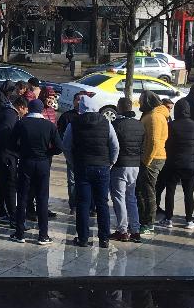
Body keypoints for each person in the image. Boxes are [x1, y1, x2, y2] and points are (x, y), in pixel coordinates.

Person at [62, 94, 120, 248]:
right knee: (102, 203)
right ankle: (104, 239)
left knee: (83, 203)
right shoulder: (106, 122)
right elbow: (115, 145)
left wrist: (73, 163)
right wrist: (111, 162)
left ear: (81, 107)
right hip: (102, 167)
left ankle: (83, 238)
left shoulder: (74, 123)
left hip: (82, 166)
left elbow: (66, 146)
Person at [9, 98, 63, 245]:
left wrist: (22, 151)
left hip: (26, 162)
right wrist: (47, 153)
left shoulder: (22, 123)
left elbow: (12, 143)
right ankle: (43, 235)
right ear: (41, 110)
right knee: (42, 198)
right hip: (43, 163)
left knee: (22, 197)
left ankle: (20, 233)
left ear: (29, 108)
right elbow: (59, 147)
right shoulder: (49, 125)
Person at [160, 100, 194, 230]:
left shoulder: (171, 125)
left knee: (170, 191)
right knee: (189, 193)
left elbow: (167, 142)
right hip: (190, 164)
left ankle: (168, 219)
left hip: (173, 163)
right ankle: (189, 220)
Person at [109, 96, 144, 242]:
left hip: (120, 164)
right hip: (135, 165)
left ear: (119, 107)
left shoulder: (115, 124)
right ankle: (135, 230)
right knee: (131, 197)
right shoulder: (140, 125)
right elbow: (143, 145)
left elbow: (112, 145)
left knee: (119, 197)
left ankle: (122, 230)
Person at [137, 90, 169, 237]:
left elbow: (154, 142)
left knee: (148, 192)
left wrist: (146, 160)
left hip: (153, 158)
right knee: (142, 191)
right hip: (152, 157)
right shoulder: (152, 114)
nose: (139, 102)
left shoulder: (154, 117)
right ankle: (142, 219)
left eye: (141, 100)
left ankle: (148, 223)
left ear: (148, 102)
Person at [0, 94, 26, 226]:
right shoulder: (11, 115)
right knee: (9, 184)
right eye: (26, 109)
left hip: (2, 152)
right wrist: (17, 147)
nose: (26, 112)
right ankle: (12, 215)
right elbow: (5, 134)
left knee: (1, 183)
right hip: (5, 154)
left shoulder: (8, 113)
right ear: (21, 107)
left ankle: (2, 214)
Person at [57, 93, 82, 210]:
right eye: (78, 99)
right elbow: (60, 134)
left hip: (85, 155)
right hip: (71, 152)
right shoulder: (67, 116)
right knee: (72, 180)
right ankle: (73, 204)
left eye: (82, 100)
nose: (80, 102)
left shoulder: (89, 117)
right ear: (73, 101)